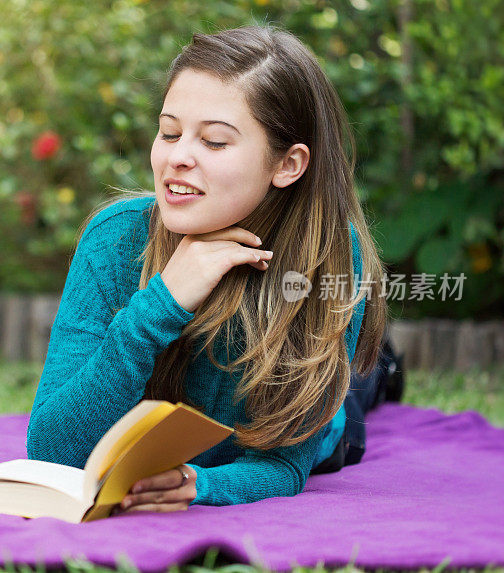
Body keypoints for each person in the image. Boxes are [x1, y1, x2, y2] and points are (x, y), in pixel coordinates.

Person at [26, 25, 395, 514]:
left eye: (215, 142)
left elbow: (284, 465)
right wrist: (161, 303)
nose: (177, 158)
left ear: (287, 164)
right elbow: (51, 452)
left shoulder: (328, 254)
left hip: (323, 421)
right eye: (170, 132)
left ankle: (384, 367)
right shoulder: (113, 241)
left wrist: (201, 484)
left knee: (357, 396)